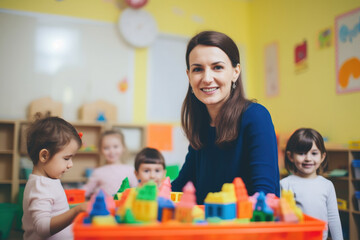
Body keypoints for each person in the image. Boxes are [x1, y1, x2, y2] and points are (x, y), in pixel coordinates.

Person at [171, 30, 280, 204]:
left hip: (246, 228)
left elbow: (264, 195)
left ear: (235, 72)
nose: (207, 78)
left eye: (217, 67)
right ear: (189, 76)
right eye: (198, 69)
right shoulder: (202, 124)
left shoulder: (256, 116)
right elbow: (182, 186)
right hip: (206, 227)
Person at [22, 116, 87, 240]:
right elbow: (42, 228)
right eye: (66, 158)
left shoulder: (47, 181)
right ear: (44, 156)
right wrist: (76, 211)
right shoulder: (40, 187)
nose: (70, 164)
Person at [280, 128, 343, 240]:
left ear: (322, 157)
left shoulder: (327, 185)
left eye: (314, 153)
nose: (308, 158)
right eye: (301, 153)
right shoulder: (284, 185)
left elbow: (333, 219)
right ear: (290, 156)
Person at [83, 130, 138, 198]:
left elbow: (136, 189)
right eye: (106, 148)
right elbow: (86, 190)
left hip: (124, 207)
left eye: (115, 146)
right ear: (101, 150)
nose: (111, 151)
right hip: (103, 207)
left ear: (123, 147)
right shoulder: (98, 172)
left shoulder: (131, 170)